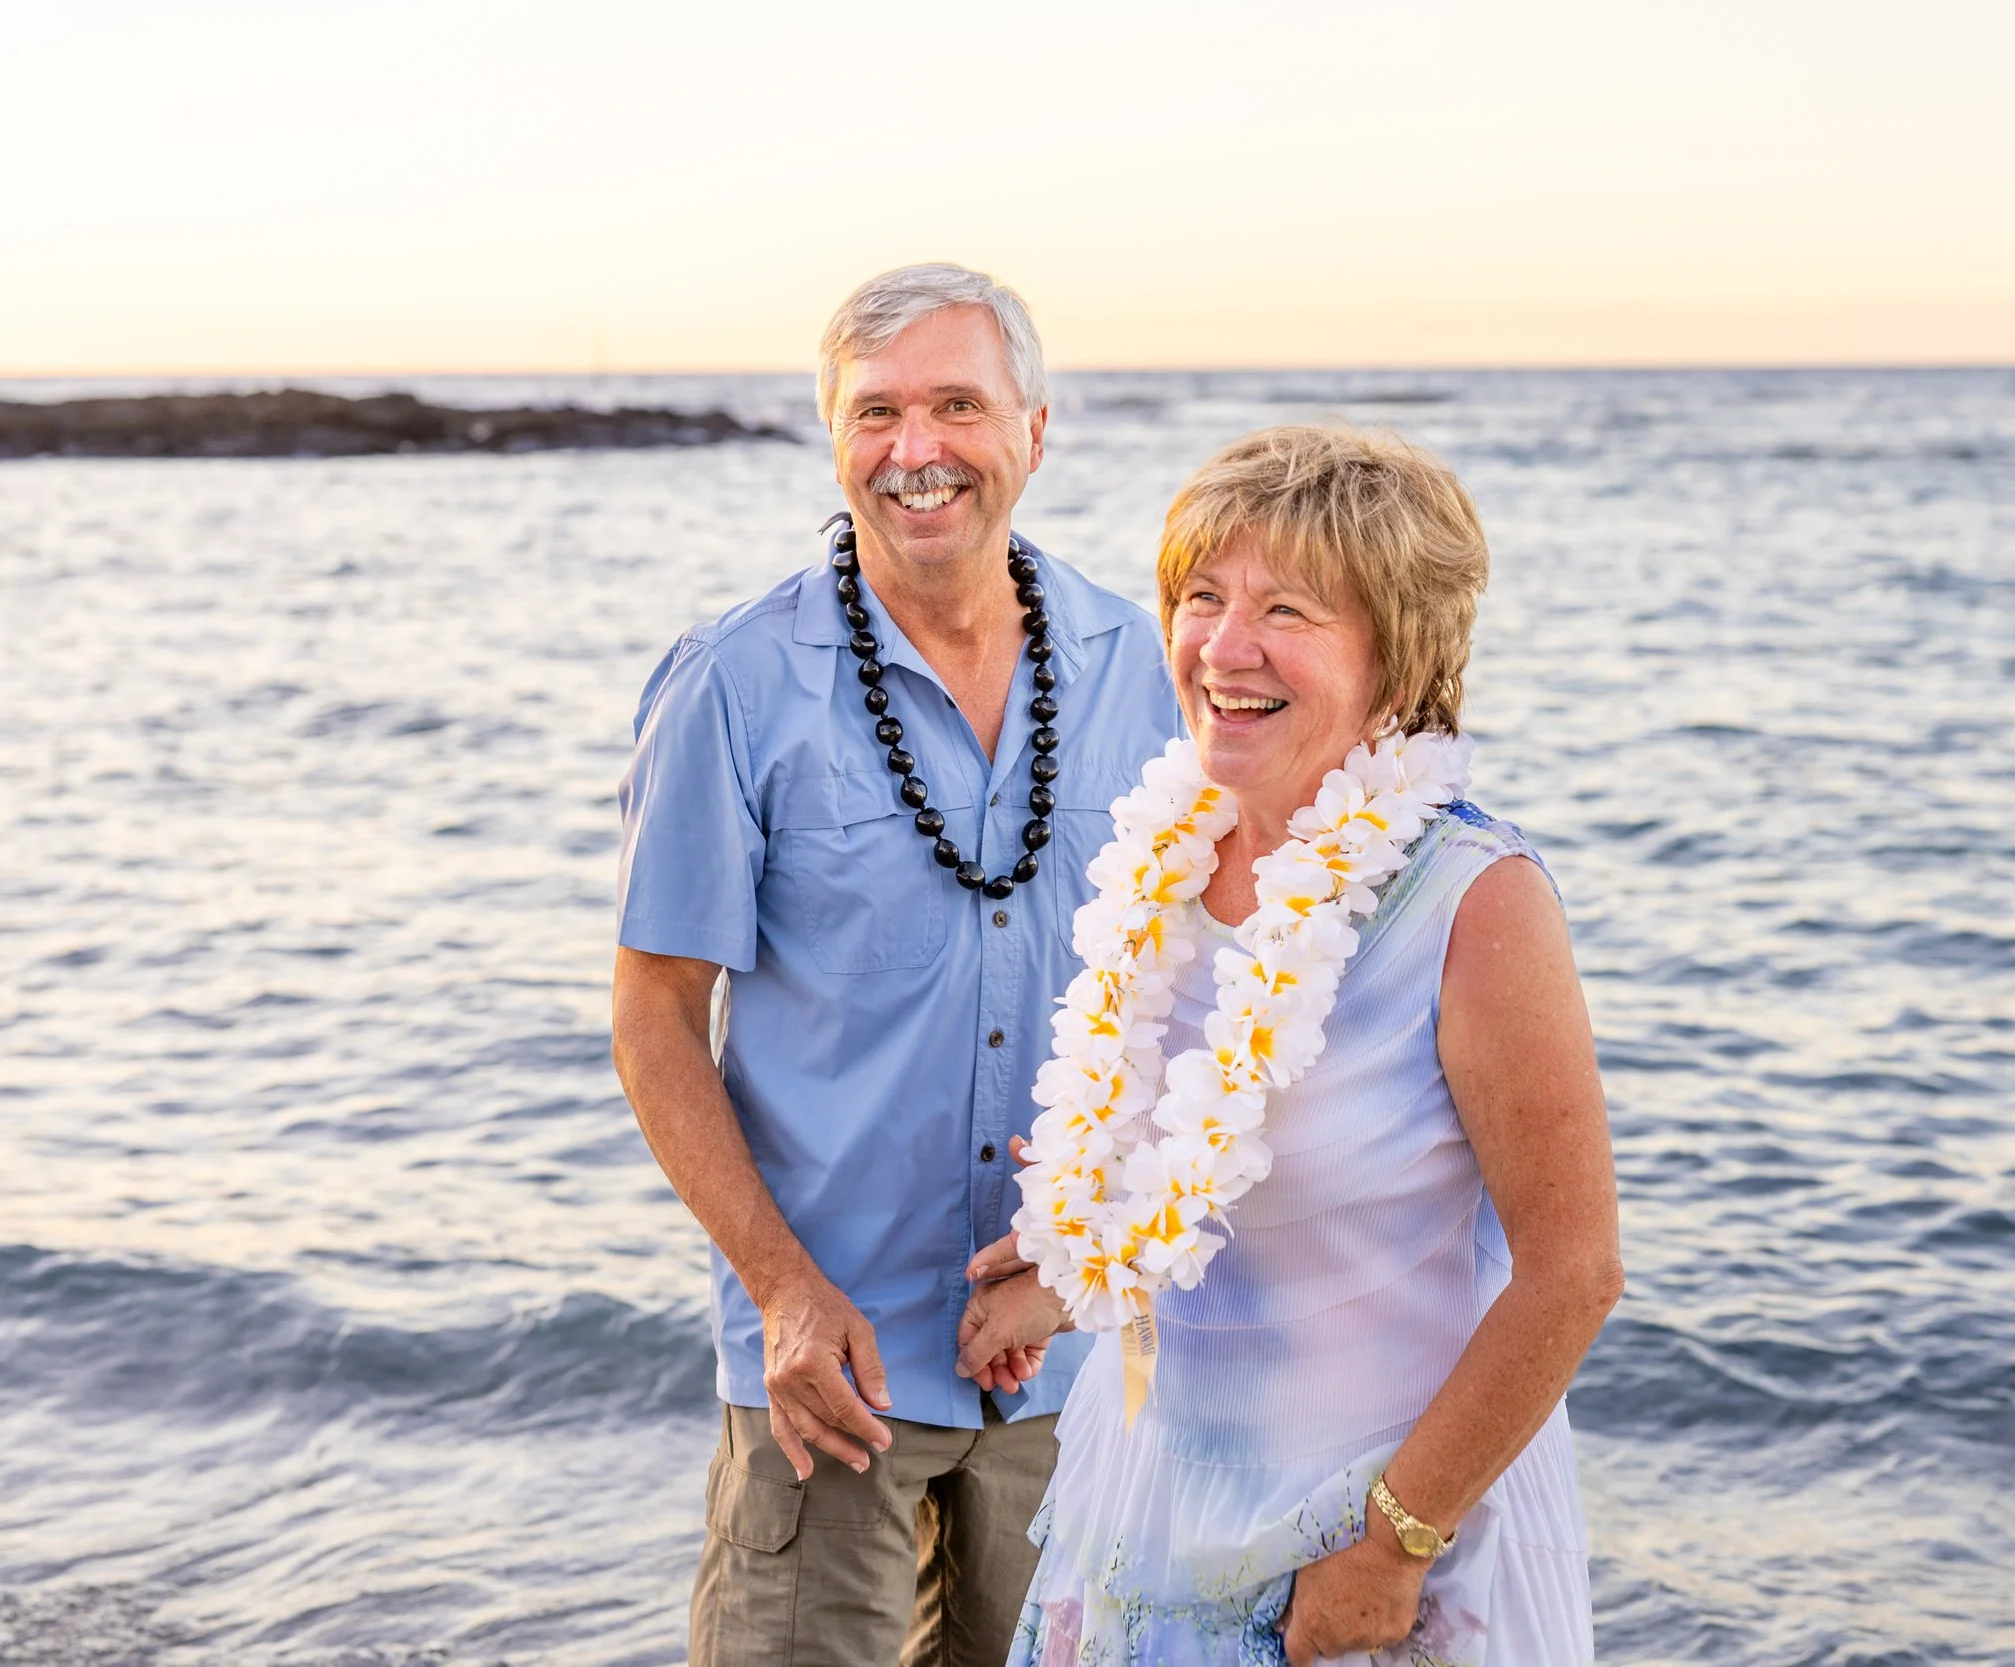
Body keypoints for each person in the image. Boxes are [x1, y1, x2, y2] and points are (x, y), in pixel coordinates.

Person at [956, 426, 1624, 1665]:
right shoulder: (1167, 855)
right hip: (1151, 1495)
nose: (1224, 646)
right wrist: (1072, 1272)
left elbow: (1572, 1272)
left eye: (1287, 610)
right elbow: (1216, 1183)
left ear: (1397, 648)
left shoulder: (1472, 898)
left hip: (1375, 1526)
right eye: (1200, 596)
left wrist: (1393, 1542)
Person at [610, 263, 1180, 1667]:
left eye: (955, 406)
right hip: (830, 1375)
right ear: (834, 434)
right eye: (876, 412)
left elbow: (1209, 998)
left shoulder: (1147, 667)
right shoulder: (733, 684)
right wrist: (783, 1290)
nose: (915, 450)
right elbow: (657, 1018)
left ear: (1035, 433)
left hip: (1074, 1368)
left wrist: (1091, 1248)